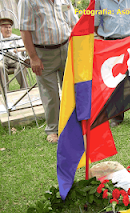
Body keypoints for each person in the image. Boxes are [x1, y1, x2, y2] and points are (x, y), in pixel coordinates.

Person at [18, 0, 78, 143]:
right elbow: (24, 29)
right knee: (50, 94)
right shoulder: (27, 2)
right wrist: (33, 57)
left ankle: (72, 126)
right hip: (43, 53)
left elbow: (73, 23)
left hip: (67, 48)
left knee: (71, 90)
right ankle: (53, 130)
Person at [94, 0, 130, 127]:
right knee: (115, 80)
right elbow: (96, 25)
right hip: (112, 45)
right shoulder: (99, 1)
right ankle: (115, 116)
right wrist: (112, 37)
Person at [0, 17, 28, 90]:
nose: (8, 29)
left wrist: (18, 50)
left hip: (15, 58)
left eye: (9, 27)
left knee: (21, 65)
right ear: (1, 29)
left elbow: (26, 47)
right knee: (0, 67)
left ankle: (25, 89)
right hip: (3, 59)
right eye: (6, 27)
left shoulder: (16, 38)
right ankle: (5, 91)